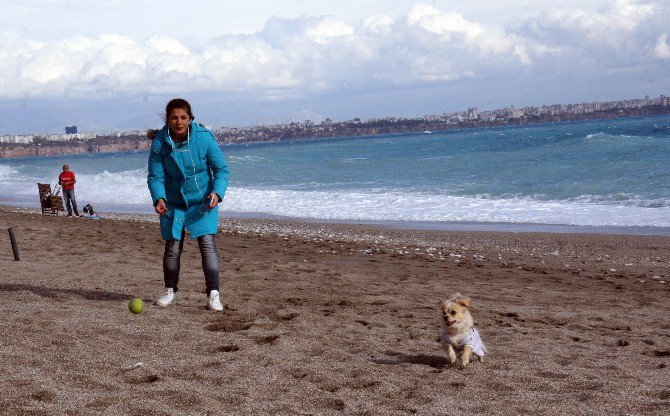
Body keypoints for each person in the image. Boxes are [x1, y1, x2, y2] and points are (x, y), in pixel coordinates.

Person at [147, 98, 229, 311]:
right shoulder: (160, 143)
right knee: (172, 249)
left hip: (203, 202)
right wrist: (159, 198)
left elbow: (221, 170)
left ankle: (213, 295)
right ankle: (170, 291)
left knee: (207, 246)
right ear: (168, 119)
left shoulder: (204, 138)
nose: (179, 122)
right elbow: (155, 177)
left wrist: (217, 193)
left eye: (183, 117)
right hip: (174, 203)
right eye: (174, 118)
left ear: (190, 118)